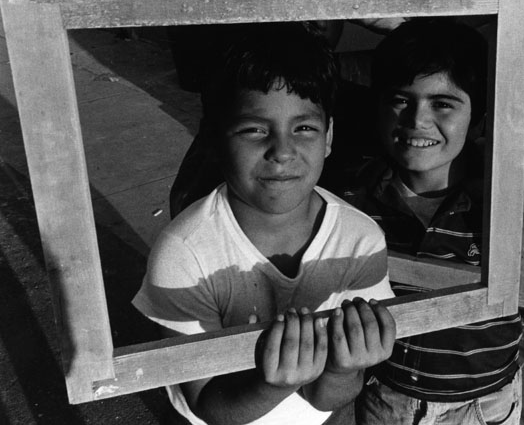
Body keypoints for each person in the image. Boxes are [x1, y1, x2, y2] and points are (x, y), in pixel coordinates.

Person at [341, 19, 524, 425]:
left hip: (484, 407)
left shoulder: (513, 202)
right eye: (400, 99)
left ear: (479, 118)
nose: (417, 120)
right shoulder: (353, 200)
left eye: (443, 103)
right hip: (385, 399)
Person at [133, 23, 396, 425]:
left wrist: (343, 370)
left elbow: (330, 399)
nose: (282, 151)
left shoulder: (360, 240)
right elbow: (208, 403)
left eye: (304, 128)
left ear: (328, 138)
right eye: (255, 129)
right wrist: (271, 384)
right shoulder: (185, 252)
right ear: (215, 139)